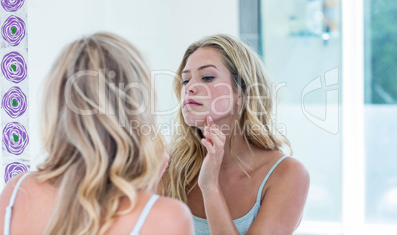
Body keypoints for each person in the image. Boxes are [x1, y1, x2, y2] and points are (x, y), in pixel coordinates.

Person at [0, 32, 194, 235]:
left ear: (56, 102)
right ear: (137, 107)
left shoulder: (16, 192)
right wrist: (148, 197)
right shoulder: (168, 218)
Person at [162, 34, 310, 234]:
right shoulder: (170, 166)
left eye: (207, 77)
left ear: (241, 92)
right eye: (185, 80)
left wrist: (210, 188)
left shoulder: (286, 175)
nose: (189, 88)